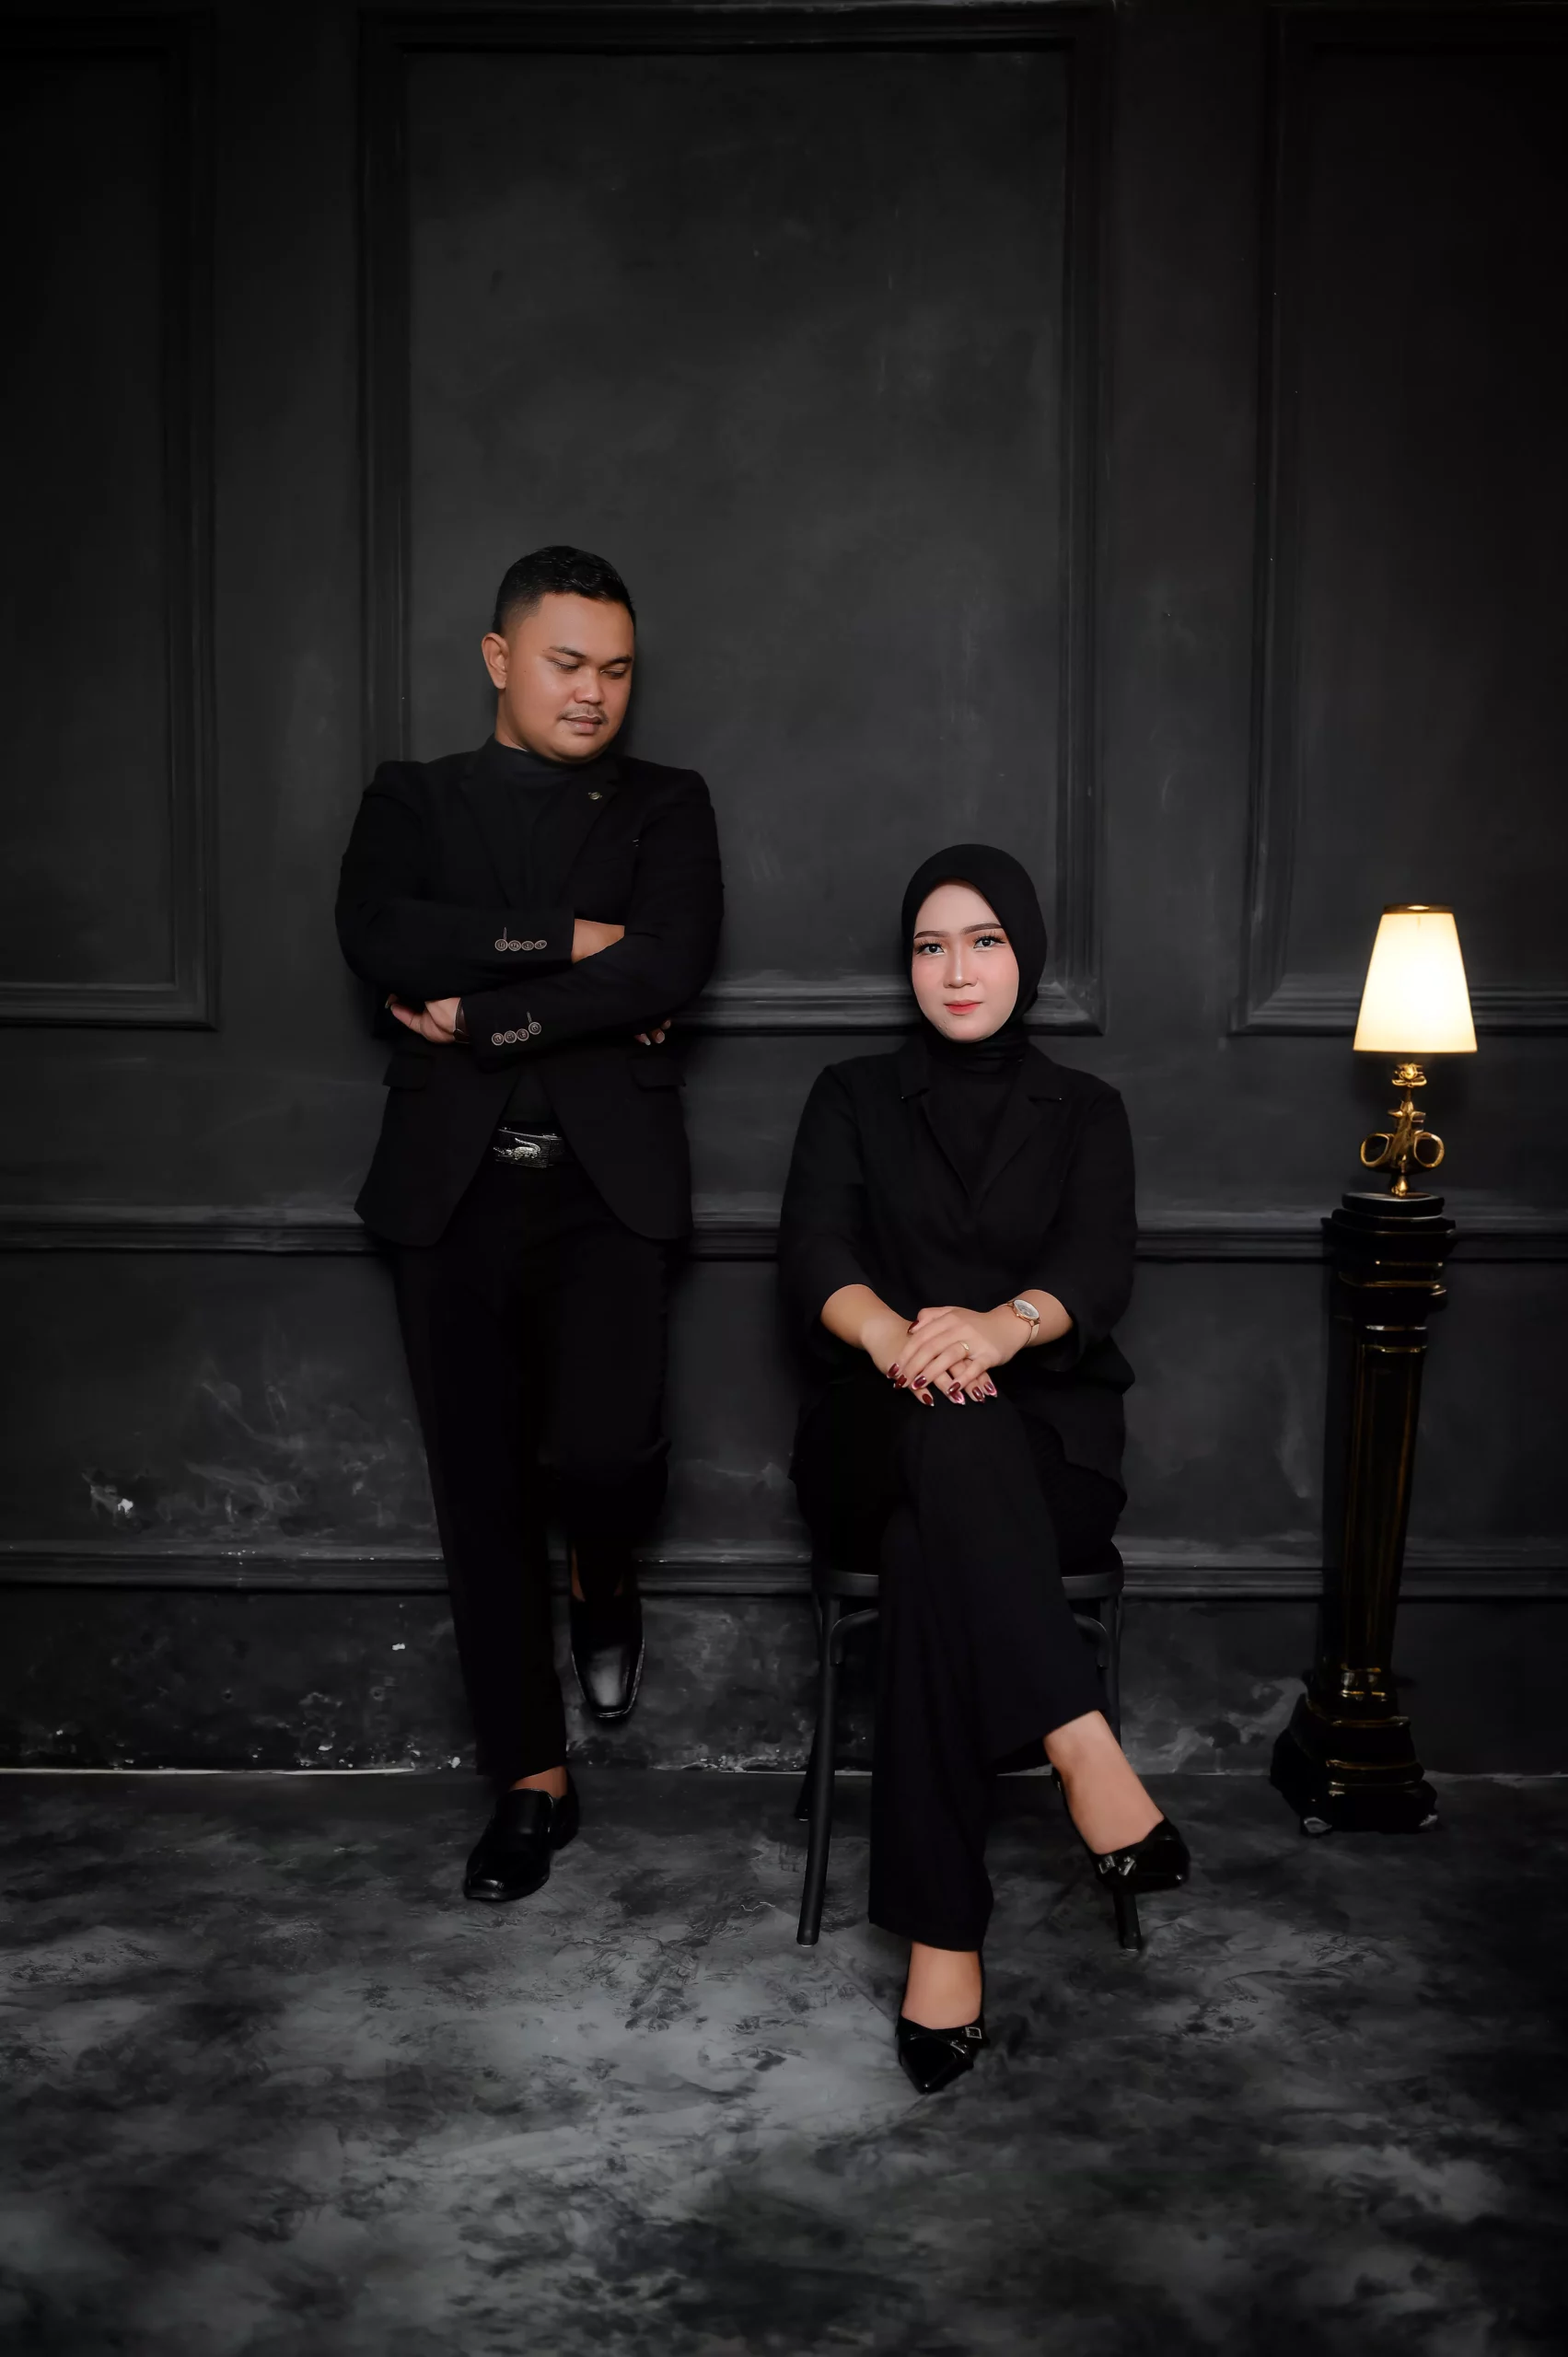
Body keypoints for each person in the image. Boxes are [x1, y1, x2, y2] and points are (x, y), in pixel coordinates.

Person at [335, 544, 723, 1906]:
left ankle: (602, 1566)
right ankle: (531, 1780)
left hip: (609, 1193)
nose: (593, 692)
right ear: (500, 658)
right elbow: (383, 937)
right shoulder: (412, 798)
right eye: (566, 663)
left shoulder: (667, 803)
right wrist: (575, 947)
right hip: (449, 1195)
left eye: (616, 669)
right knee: (481, 1496)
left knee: (602, 1457)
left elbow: (672, 963)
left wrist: (484, 1015)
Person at [778, 845, 1188, 2093]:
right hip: (871, 1430)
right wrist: (901, 1340)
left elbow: (1098, 1266)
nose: (956, 970)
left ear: (1027, 954)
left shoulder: (1086, 1110)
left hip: (1046, 1449)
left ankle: (942, 1943)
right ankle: (1082, 1744)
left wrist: (1000, 1330)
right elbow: (813, 1252)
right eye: (930, 946)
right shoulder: (851, 1093)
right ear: (909, 965)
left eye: (984, 941)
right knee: (941, 1437)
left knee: (929, 1548)